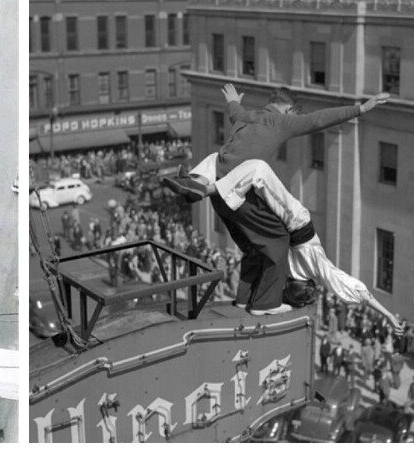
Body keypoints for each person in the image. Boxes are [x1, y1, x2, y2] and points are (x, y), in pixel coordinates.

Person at [163, 83, 390, 316]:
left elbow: (234, 113)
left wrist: (233, 101)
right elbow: (317, 120)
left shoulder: (248, 117)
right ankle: (265, 304)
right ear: (289, 109)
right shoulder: (281, 121)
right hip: (238, 194)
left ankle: (196, 184)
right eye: (295, 114)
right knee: (277, 241)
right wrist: (360, 109)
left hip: (219, 195)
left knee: (253, 246)